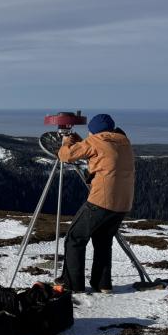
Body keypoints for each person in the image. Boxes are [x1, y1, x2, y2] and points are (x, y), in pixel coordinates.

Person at [54, 114, 135, 293]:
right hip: (123, 204)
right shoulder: (123, 142)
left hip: (101, 200)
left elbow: (65, 155)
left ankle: (73, 284)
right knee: (103, 241)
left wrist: (67, 141)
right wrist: (81, 142)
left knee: (75, 238)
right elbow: (99, 150)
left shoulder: (95, 142)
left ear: (94, 130)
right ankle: (103, 284)